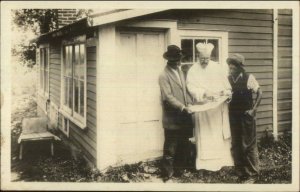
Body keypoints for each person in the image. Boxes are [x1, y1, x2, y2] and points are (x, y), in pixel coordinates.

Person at [186, 42, 233, 171]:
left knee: (217, 135)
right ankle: (204, 165)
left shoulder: (217, 68)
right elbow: (190, 87)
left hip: (216, 109)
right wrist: (204, 93)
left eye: (207, 59)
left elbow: (227, 86)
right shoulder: (193, 70)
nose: (204, 61)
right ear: (198, 57)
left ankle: (221, 162)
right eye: (202, 59)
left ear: (210, 57)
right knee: (205, 136)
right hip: (202, 108)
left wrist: (226, 93)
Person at [158, 45, 194, 182]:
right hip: (172, 117)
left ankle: (179, 170)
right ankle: (167, 174)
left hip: (183, 116)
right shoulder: (163, 75)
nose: (179, 61)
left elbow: (185, 91)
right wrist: (182, 107)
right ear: (170, 60)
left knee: (183, 144)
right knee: (170, 147)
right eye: (176, 59)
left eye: (179, 58)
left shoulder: (179, 72)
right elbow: (168, 96)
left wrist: (190, 102)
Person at [226, 53, 262, 182]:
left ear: (240, 67)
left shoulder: (248, 77)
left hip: (246, 116)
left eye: (233, 68)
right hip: (233, 116)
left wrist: (254, 110)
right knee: (236, 144)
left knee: (248, 144)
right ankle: (240, 171)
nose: (230, 70)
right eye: (229, 67)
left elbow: (260, 92)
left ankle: (253, 173)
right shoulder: (228, 79)